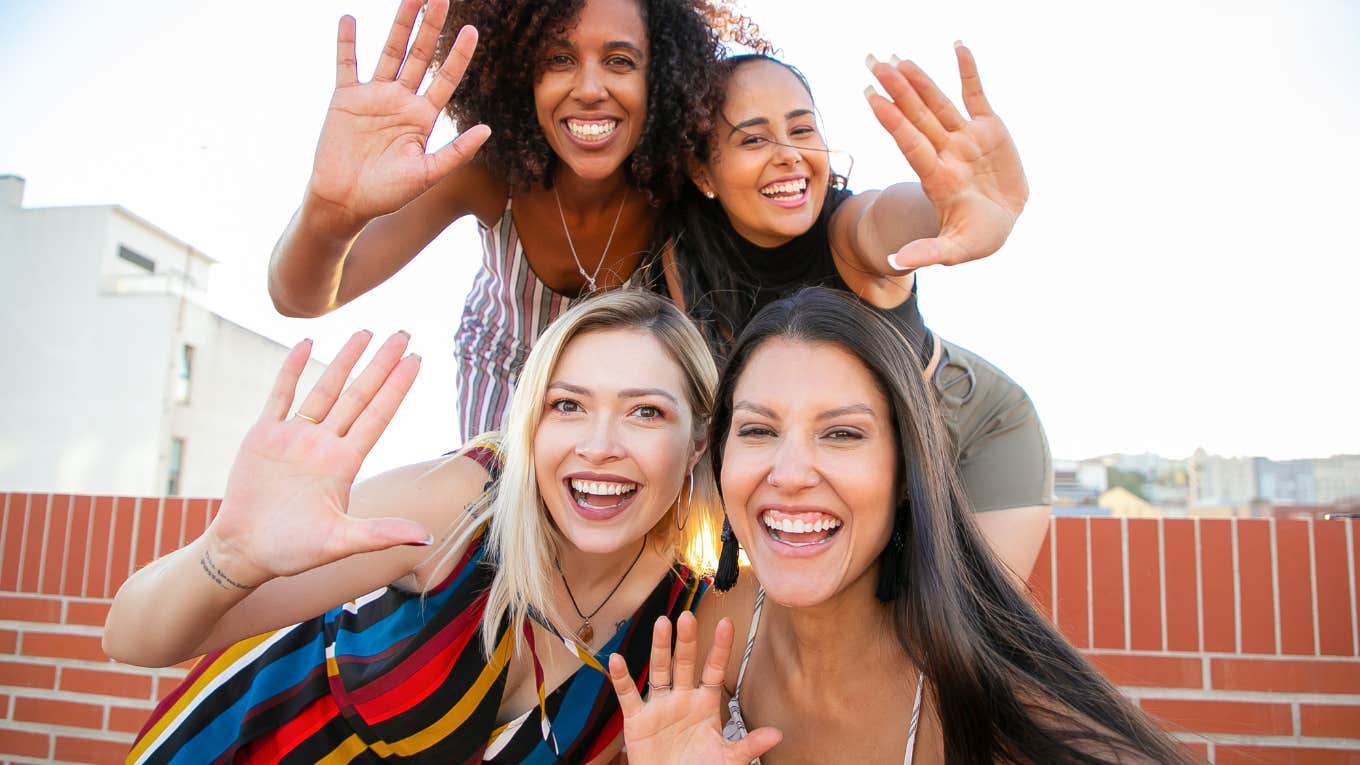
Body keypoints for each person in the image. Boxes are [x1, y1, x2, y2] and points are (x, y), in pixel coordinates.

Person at [105, 290, 721, 763]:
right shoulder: (463, 504)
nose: (599, 444)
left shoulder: (689, 619)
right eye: (567, 405)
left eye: (645, 412)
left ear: (696, 442)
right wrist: (230, 554)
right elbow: (133, 639)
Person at [607, 288, 1195, 765]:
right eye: (758, 430)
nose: (788, 474)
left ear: (907, 472)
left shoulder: (1007, 719)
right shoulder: (718, 629)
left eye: (841, 433)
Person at [266, 0, 757, 443]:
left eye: (620, 61)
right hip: (506, 377)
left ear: (661, 80)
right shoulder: (486, 174)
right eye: (558, 60)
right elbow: (301, 297)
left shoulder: (680, 191)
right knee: (500, 523)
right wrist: (328, 209)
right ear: (522, 76)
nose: (589, 89)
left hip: (630, 389)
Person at [661, 47, 1051, 578]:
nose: (788, 154)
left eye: (802, 131)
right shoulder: (686, 257)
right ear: (703, 170)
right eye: (753, 138)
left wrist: (947, 208)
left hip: (970, 429)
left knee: (958, 641)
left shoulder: (849, 232)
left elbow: (888, 217)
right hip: (851, 456)